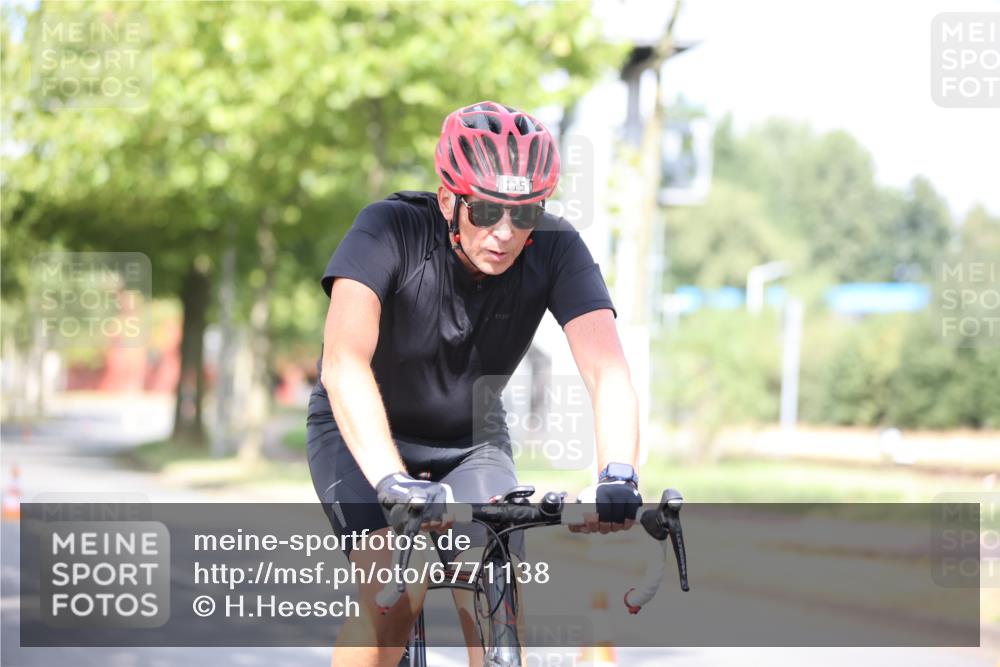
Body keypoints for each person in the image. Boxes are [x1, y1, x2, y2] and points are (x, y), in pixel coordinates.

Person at [307, 101, 643, 667]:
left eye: (525, 213)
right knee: (391, 598)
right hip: (361, 438)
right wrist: (392, 480)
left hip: (470, 444)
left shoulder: (558, 249)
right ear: (448, 201)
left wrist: (619, 476)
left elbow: (606, 369)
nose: (505, 233)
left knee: (495, 600)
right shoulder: (387, 229)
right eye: (486, 210)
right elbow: (343, 363)